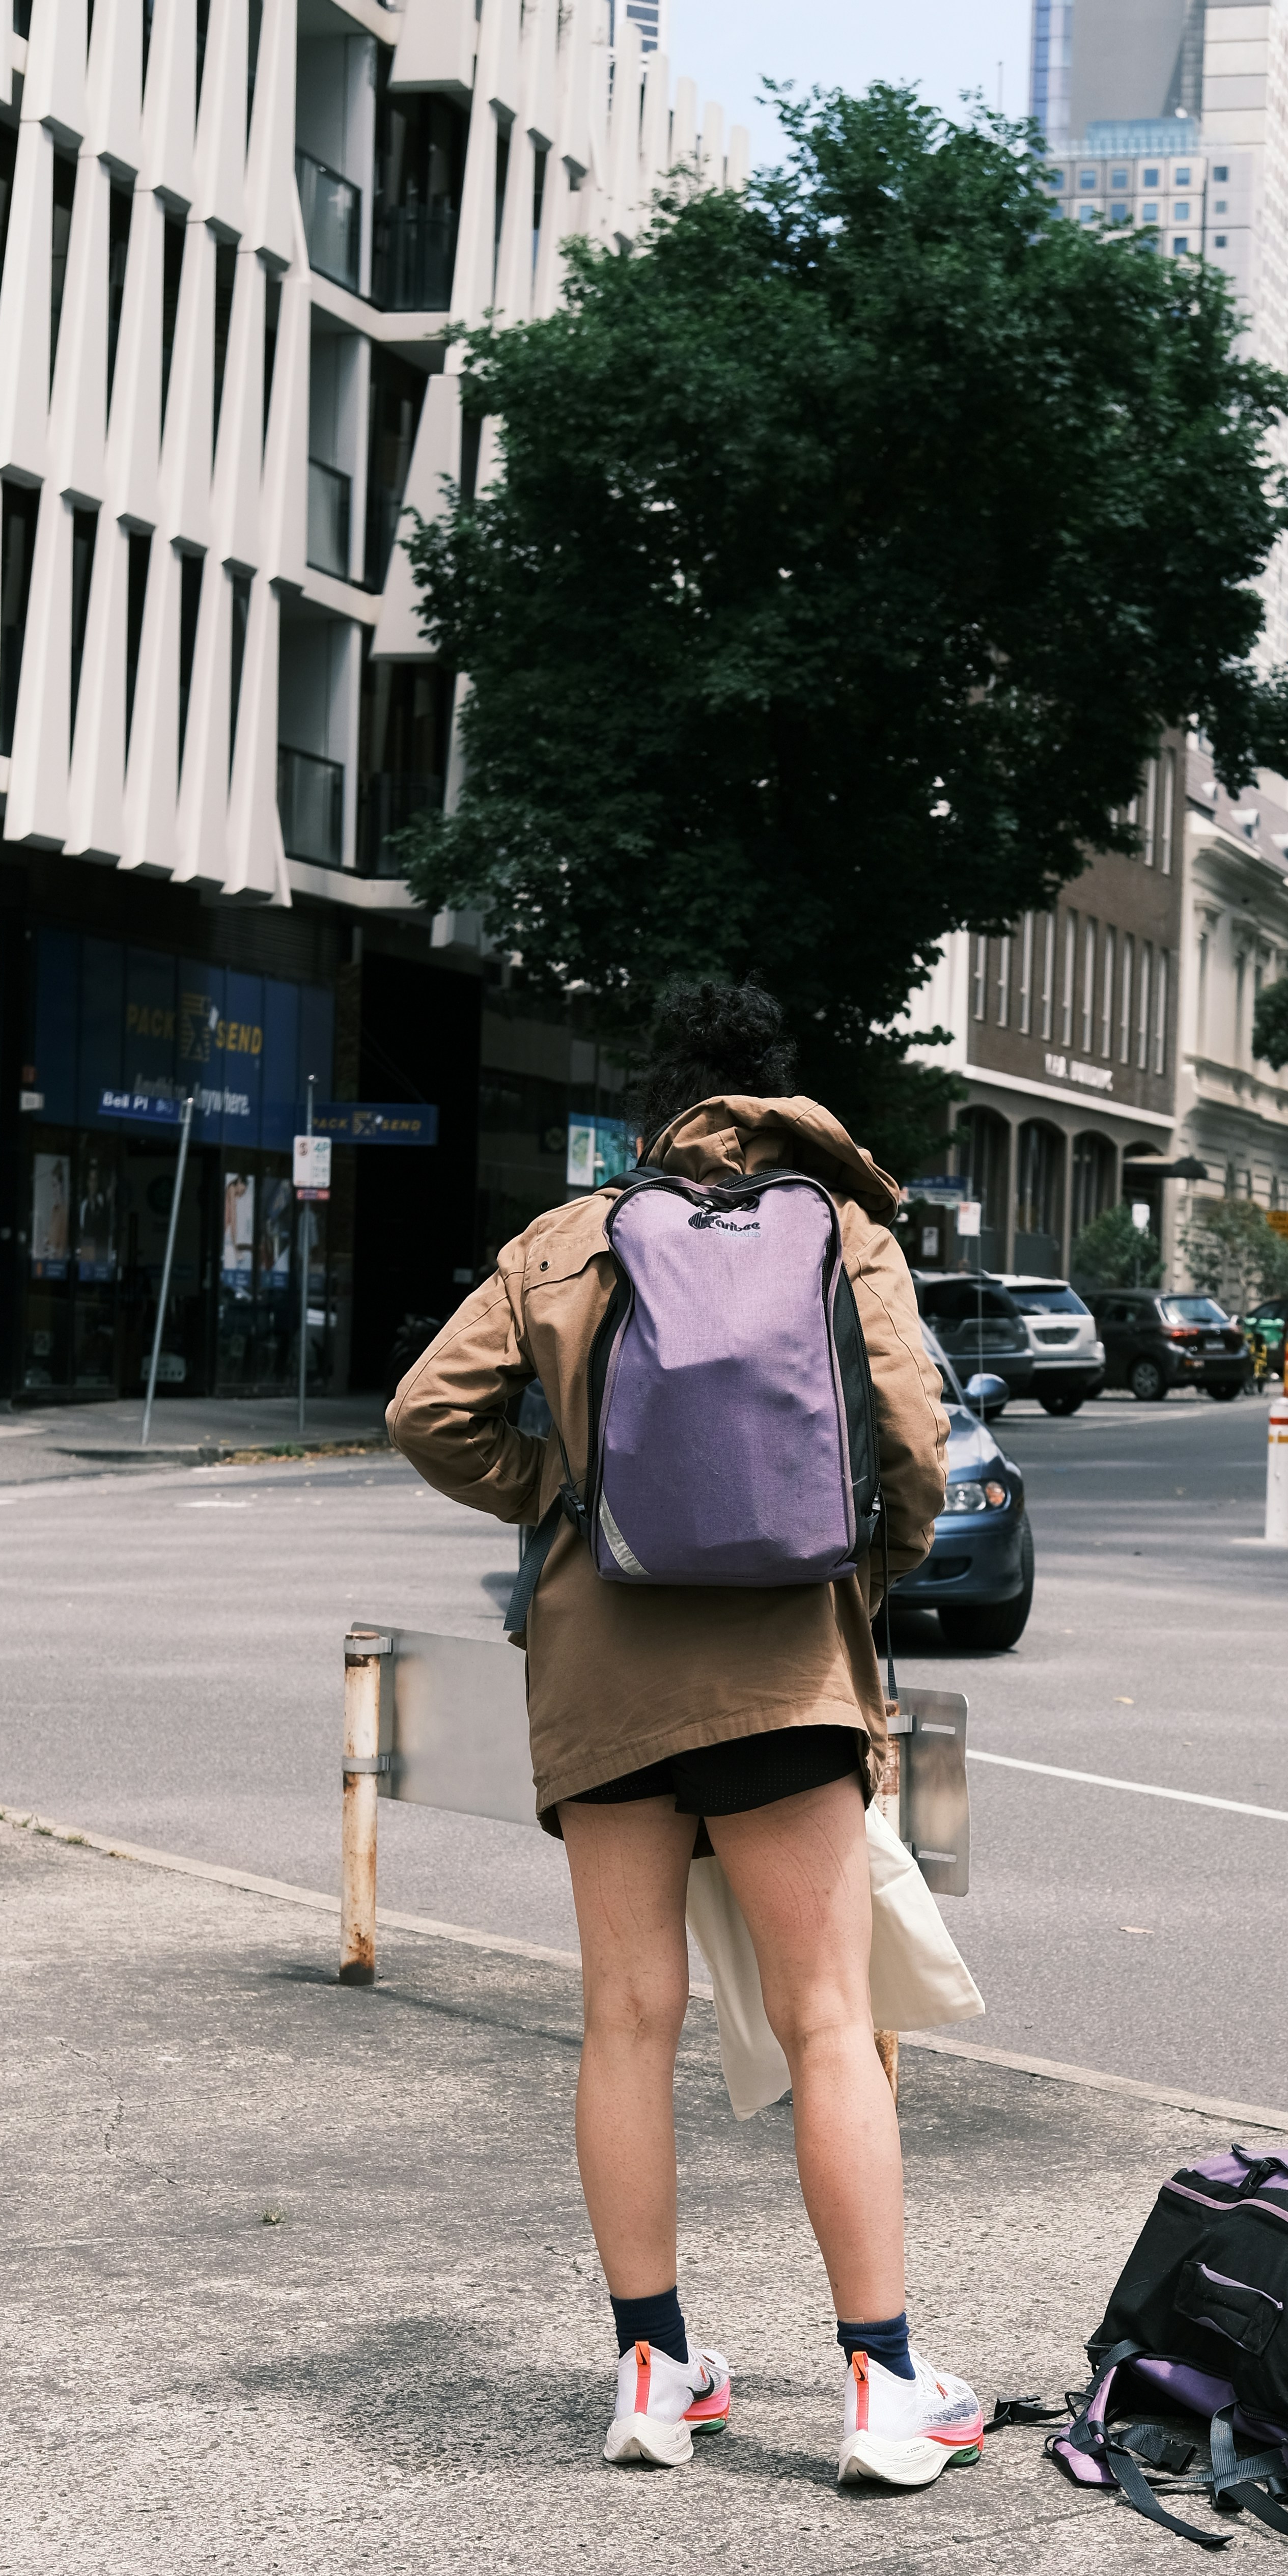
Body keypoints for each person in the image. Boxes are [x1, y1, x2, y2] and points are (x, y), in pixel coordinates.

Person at [387, 981, 982, 2491]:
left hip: (603, 1675)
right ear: (778, 1102)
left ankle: (654, 2374)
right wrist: (858, 1573)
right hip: (785, 1665)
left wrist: (566, 1499)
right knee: (829, 2022)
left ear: (655, 1108)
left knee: (626, 2021)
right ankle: (882, 2390)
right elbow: (912, 1448)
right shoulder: (841, 1233)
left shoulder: (568, 1237)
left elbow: (429, 1414)